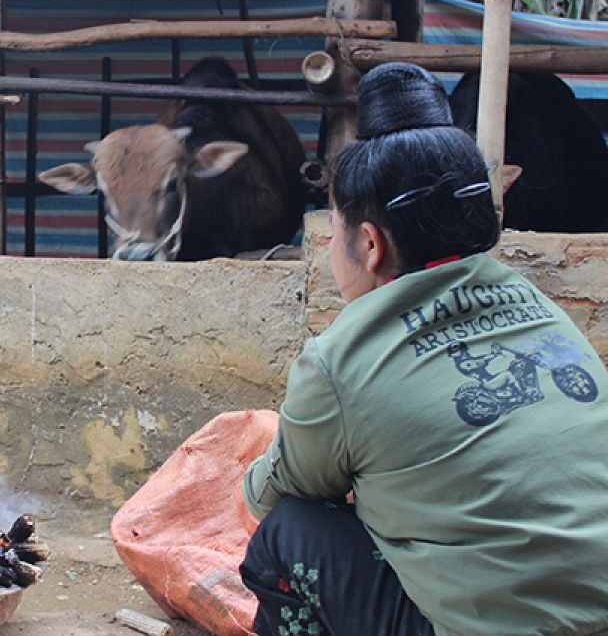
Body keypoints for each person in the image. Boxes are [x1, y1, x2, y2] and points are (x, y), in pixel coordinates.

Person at [239, 62, 608, 636]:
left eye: (335, 230)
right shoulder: (537, 304)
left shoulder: (342, 357)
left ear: (369, 243)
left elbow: (276, 493)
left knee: (288, 531)